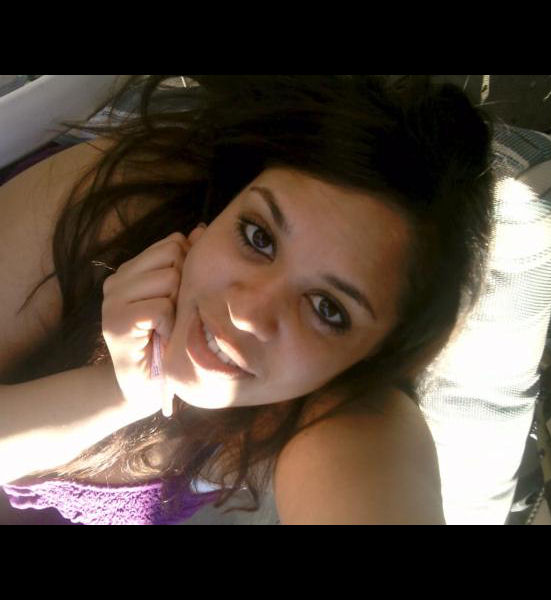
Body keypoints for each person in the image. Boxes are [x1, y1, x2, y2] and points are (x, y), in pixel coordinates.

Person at [0, 75, 494, 524]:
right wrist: (114, 388)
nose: (247, 312)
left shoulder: (349, 418)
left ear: (376, 355)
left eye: (327, 308)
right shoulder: (127, 197)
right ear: (220, 211)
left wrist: (132, 390)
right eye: (258, 237)